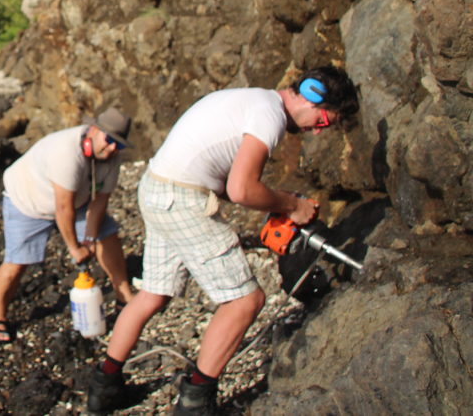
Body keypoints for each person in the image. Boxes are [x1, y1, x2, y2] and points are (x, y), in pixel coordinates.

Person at [87, 66, 359, 415]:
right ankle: (195, 403)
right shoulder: (269, 116)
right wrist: (292, 205)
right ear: (310, 94)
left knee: (152, 294)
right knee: (245, 301)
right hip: (180, 199)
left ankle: (104, 388)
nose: (317, 130)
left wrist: (277, 200)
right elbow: (241, 189)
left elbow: (221, 177)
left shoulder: (251, 101)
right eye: (323, 120)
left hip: (156, 188)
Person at [0, 107, 137, 343]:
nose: (111, 149)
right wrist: (75, 248)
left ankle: (124, 296)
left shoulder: (111, 158)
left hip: (77, 198)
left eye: (118, 145)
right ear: (93, 131)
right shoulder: (66, 153)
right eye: (108, 140)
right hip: (28, 198)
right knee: (16, 263)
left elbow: (100, 203)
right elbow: (62, 208)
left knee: (106, 235)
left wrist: (89, 239)